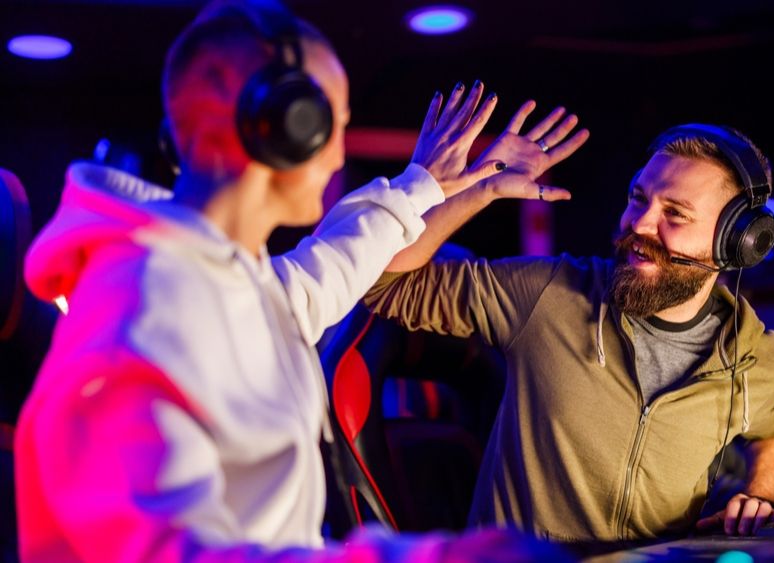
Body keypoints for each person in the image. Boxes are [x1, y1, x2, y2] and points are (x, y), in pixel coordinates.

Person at [13, 0, 529, 560]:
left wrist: (421, 185)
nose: (337, 156)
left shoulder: (227, 278)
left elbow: (321, 274)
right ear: (278, 124)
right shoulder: (139, 314)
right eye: (330, 124)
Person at [363, 112, 774, 541]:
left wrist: (758, 494)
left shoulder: (753, 356)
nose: (640, 224)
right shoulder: (548, 295)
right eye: (638, 198)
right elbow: (379, 280)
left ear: (735, 244)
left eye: (675, 213)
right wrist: (482, 189)